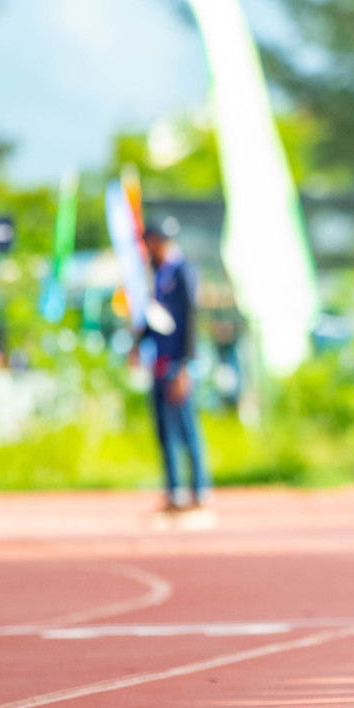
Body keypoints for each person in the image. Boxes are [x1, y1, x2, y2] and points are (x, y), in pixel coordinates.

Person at [135, 219, 209, 515]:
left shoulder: (183, 271)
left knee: (187, 429)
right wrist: (138, 343)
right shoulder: (156, 274)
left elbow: (190, 320)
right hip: (159, 362)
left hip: (178, 364)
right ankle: (174, 492)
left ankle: (200, 492)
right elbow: (156, 319)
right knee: (165, 432)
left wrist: (185, 366)